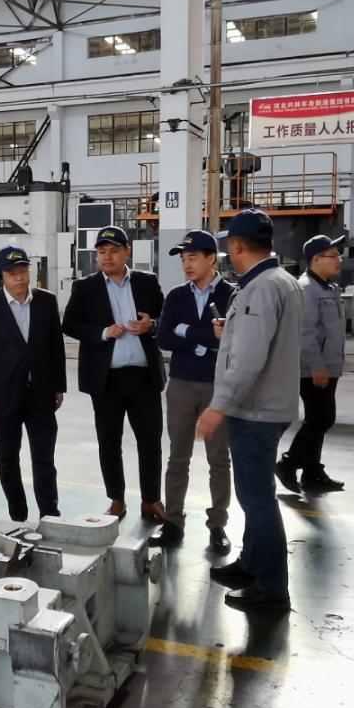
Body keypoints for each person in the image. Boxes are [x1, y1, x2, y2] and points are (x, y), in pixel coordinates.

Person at [195, 209, 303, 613]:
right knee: (253, 496)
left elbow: (250, 360)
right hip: (269, 405)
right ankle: (252, 565)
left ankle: (272, 590)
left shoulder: (261, 288)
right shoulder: (280, 281)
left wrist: (218, 406)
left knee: (258, 500)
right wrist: (234, 329)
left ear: (237, 245)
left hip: (257, 410)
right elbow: (261, 341)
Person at [62, 225, 166, 522]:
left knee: (150, 441)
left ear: (127, 253)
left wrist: (151, 325)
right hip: (106, 380)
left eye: (114, 251)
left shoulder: (147, 282)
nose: (107, 257)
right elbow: (70, 324)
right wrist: (103, 332)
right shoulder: (85, 287)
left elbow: (165, 318)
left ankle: (151, 500)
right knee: (109, 443)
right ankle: (117, 500)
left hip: (144, 378)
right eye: (101, 252)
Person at [151, 230, 237, 552]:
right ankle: (173, 522)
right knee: (178, 457)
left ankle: (218, 525)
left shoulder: (232, 295)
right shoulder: (176, 296)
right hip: (181, 385)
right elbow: (164, 339)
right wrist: (204, 340)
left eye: (193, 258)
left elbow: (232, 340)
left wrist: (186, 331)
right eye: (183, 259)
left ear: (211, 258)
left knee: (219, 459)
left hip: (218, 387)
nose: (187, 265)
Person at [0, 245, 67, 521]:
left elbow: (56, 347)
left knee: (44, 458)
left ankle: (50, 513)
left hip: (41, 394)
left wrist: (59, 385)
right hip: (4, 397)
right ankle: (18, 515)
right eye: (12, 273)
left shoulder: (46, 302)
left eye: (23, 271)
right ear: (1, 276)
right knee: (8, 459)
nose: (19, 278)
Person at [276, 235, 347, 494]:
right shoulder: (307, 288)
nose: (339, 260)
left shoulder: (327, 287)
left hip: (329, 364)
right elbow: (305, 333)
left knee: (317, 418)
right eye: (333, 255)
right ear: (316, 259)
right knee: (322, 418)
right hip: (313, 368)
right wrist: (316, 365)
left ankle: (312, 472)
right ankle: (288, 463)